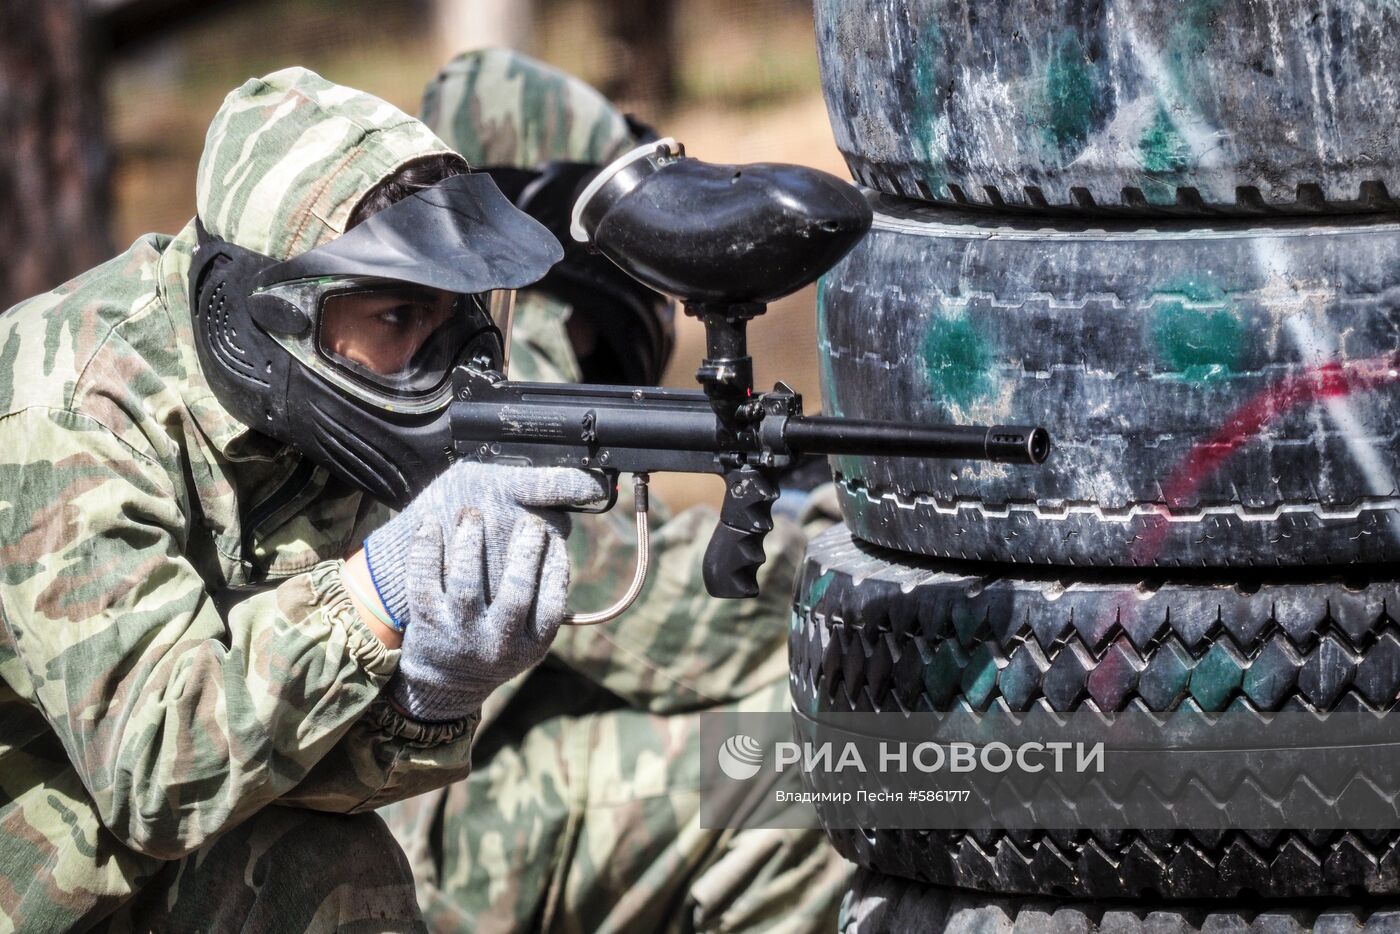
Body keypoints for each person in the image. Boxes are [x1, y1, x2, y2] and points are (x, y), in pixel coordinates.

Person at [0, 66, 606, 931]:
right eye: (401, 318)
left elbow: (294, 766)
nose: (451, 360)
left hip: (153, 856)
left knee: (330, 866)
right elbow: (153, 772)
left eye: (462, 313)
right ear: (265, 316)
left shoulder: (332, 395)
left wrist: (427, 694)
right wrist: (378, 593)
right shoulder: (69, 406)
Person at [377, 49, 853, 934]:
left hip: (426, 786)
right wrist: (839, 551)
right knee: (827, 763)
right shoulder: (507, 364)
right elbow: (682, 634)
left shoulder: (420, 351)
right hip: (411, 838)